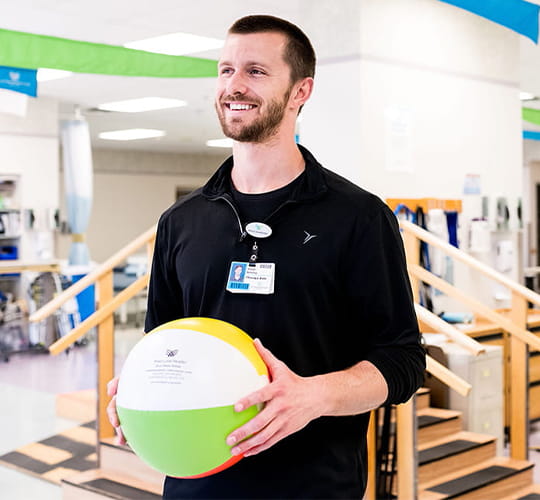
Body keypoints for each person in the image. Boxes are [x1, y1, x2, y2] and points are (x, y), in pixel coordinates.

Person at [107, 14, 425, 499]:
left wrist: (312, 396)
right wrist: (139, 391)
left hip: (315, 484)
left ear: (301, 91)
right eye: (225, 69)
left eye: (255, 71)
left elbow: (402, 361)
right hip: (196, 483)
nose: (234, 84)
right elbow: (163, 342)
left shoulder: (358, 217)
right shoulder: (182, 221)